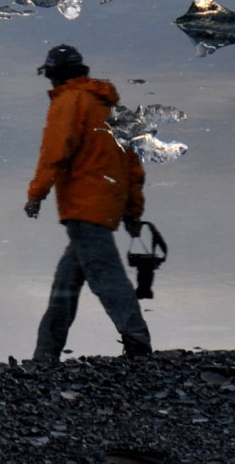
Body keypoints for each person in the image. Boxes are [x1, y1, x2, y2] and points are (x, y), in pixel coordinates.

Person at [23, 44, 153, 362]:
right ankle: (45, 355)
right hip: (106, 205)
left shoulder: (68, 102)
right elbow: (132, 163)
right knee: (66, 282)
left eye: (50, 75)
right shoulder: (109, 106)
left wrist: (36, 194)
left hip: (83, 206)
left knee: (106, 277)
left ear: (56, 74)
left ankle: (137, 342)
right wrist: (132, 211)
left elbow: (55, 153)